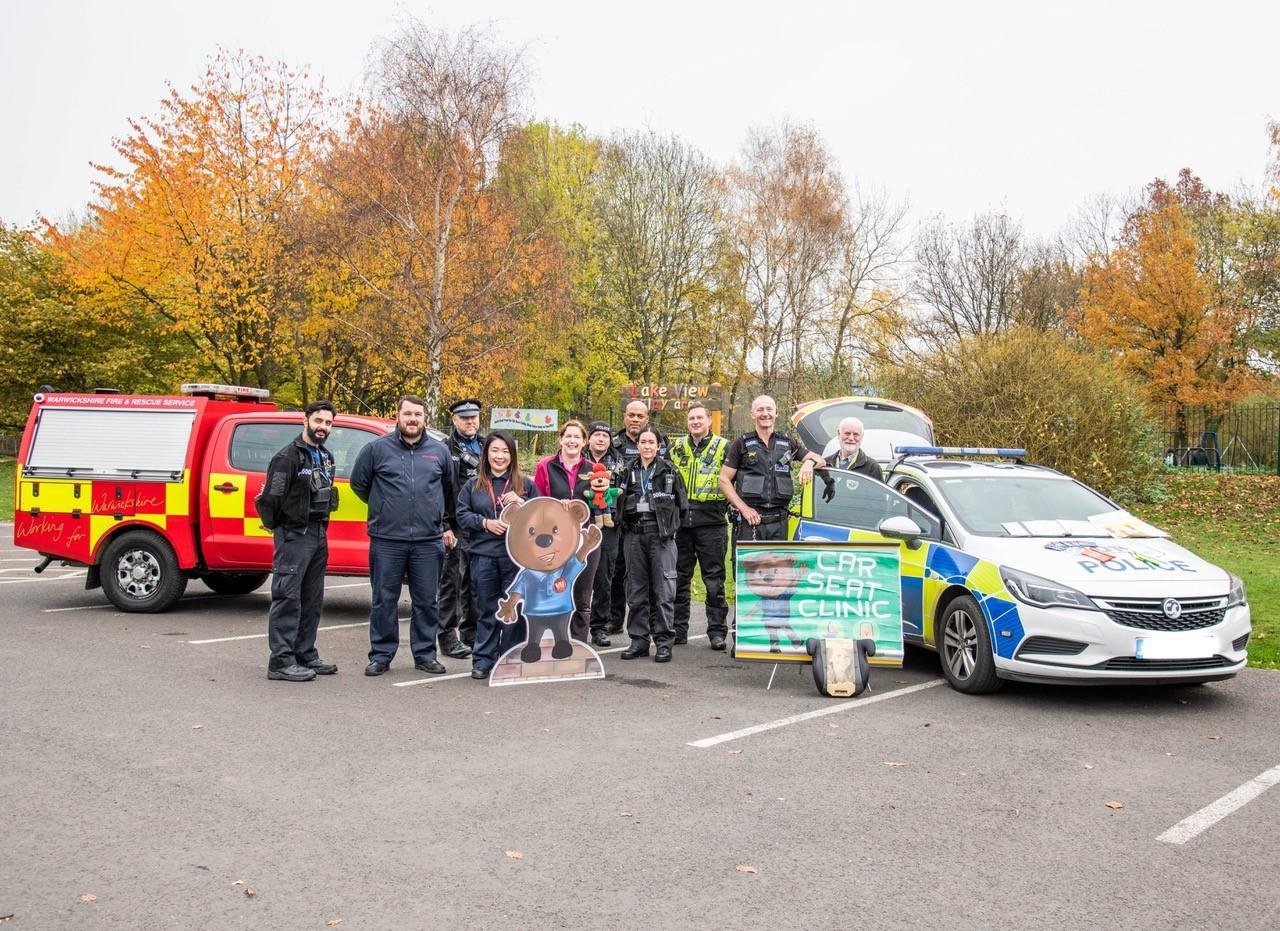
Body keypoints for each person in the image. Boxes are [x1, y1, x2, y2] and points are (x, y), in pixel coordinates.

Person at [350, 395, 457, 677]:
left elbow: (448, 490)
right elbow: (359, 485)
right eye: (407, 413)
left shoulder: (439, 452)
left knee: (426, 601)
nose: (412, 419)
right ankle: (381, 655)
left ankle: (424, 655)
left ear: (425, 419)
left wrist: (442, 522)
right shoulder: (376, 450)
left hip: (427, 540)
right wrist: (384, 508)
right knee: (384, 600)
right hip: (387, 539)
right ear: (397, 415)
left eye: (417, 414)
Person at [255, 400, 339, 682]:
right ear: (306, 420)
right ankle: (280, 660)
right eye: (318, 421)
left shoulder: (326, 456)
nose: (322, 427)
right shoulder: (287, 457)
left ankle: (305, 653)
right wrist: (281, 528)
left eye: (327, 423)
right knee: (287, 596)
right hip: (294, 535)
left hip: (317, 534)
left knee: (312, 598)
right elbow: (271, 499)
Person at [455, 432, 538, 680]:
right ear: (486, 455)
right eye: (494, 451)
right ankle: (483, 660)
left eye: (505, 451)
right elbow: (461, 515)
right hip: (484, 556)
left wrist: (523, 504)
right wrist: (485, 523)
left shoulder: (525, 485)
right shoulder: (474, 485)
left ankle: (510, 659)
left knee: (514, 610)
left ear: (512, 455)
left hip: (517, 559)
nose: (499, 456)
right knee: (487, 609)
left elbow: (540, 519)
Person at [616, 427, 687, 663]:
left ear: (658, 446)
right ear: (638, 445)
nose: (647, 446)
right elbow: (617, 499)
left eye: (651, 442)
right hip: (634, 536)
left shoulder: (670, 471)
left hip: (661, 537)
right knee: (635, 591)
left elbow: (682, 505)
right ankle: (638, 641)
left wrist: (669, 530)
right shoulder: (627, 470)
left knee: (664, 591)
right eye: (643, 442)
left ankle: (664, 643)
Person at [719, 394, 825, 547]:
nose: (765, 413)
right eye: (760, 409)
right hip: (750, 521)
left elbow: (820, 460)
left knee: (777, 569)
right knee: (747, 569)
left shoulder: (788, 442)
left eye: (769, 409)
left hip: (779, 522)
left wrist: (808, 463)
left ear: (776, 413)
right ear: (752, 414)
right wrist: (744, 509)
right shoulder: (740, 443)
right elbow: (723, 480)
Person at [533, 420, 600, 643]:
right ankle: (553, 640)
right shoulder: (545, 465)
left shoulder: (593, 470)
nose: (572, 441)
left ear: (585, 442)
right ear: (560, 439)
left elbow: (600, 504)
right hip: (555, 540)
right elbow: (537, 502)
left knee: (582, 593)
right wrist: (555, 506)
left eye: (577, 437)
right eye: (568, 436)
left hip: (585, 539)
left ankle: (579, 641)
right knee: (554, 589)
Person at [670, 403, 730, 651]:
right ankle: (678, 630)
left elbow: (734, 479)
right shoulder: (675, 447)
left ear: (709, 421)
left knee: (714, 580)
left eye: (700, 418)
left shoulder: (724, 447)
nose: (695, 422)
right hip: (681, 523)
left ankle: (717, 632)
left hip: (712, 522)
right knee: (678, 578)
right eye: (691, 418)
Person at [609, 401, 668, 635]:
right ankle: (615, 620)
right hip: (624, 520)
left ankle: (655, 624)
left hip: (653, 524)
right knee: (618, 573)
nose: (635, 419)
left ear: (647, 419)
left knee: (653, 579)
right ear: (624, 417)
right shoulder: (615, 444)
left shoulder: (661, 442)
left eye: (640, 416)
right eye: (631, 415)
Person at [438, 398, 485, 659]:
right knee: (451, 584)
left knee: (475, 583)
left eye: (474, 417)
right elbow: (440, 491)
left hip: (481, 525)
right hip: (455, 526)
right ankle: (447, 636)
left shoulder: (487, 445)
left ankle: (472, 632)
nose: (470, 422)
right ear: (454, 420)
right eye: (464, 417)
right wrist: (445, 525)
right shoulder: (446, 449)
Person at [583, 421, 626, 648]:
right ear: (588, 438)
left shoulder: (619, 462)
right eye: (597, 435)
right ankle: (574, 623)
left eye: (605, 436)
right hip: (580, 526)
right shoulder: (578, 460)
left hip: (609, 527)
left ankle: (599, 626)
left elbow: (625, 491)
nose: (601, 439)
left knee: (603, 577)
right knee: (576, 577)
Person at [823, 416, 885, 482]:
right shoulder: (825, 464)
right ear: (838, 434)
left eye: (856, 434)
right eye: (847, 433)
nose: (851, 438)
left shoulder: (872, 468)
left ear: (861, 437)